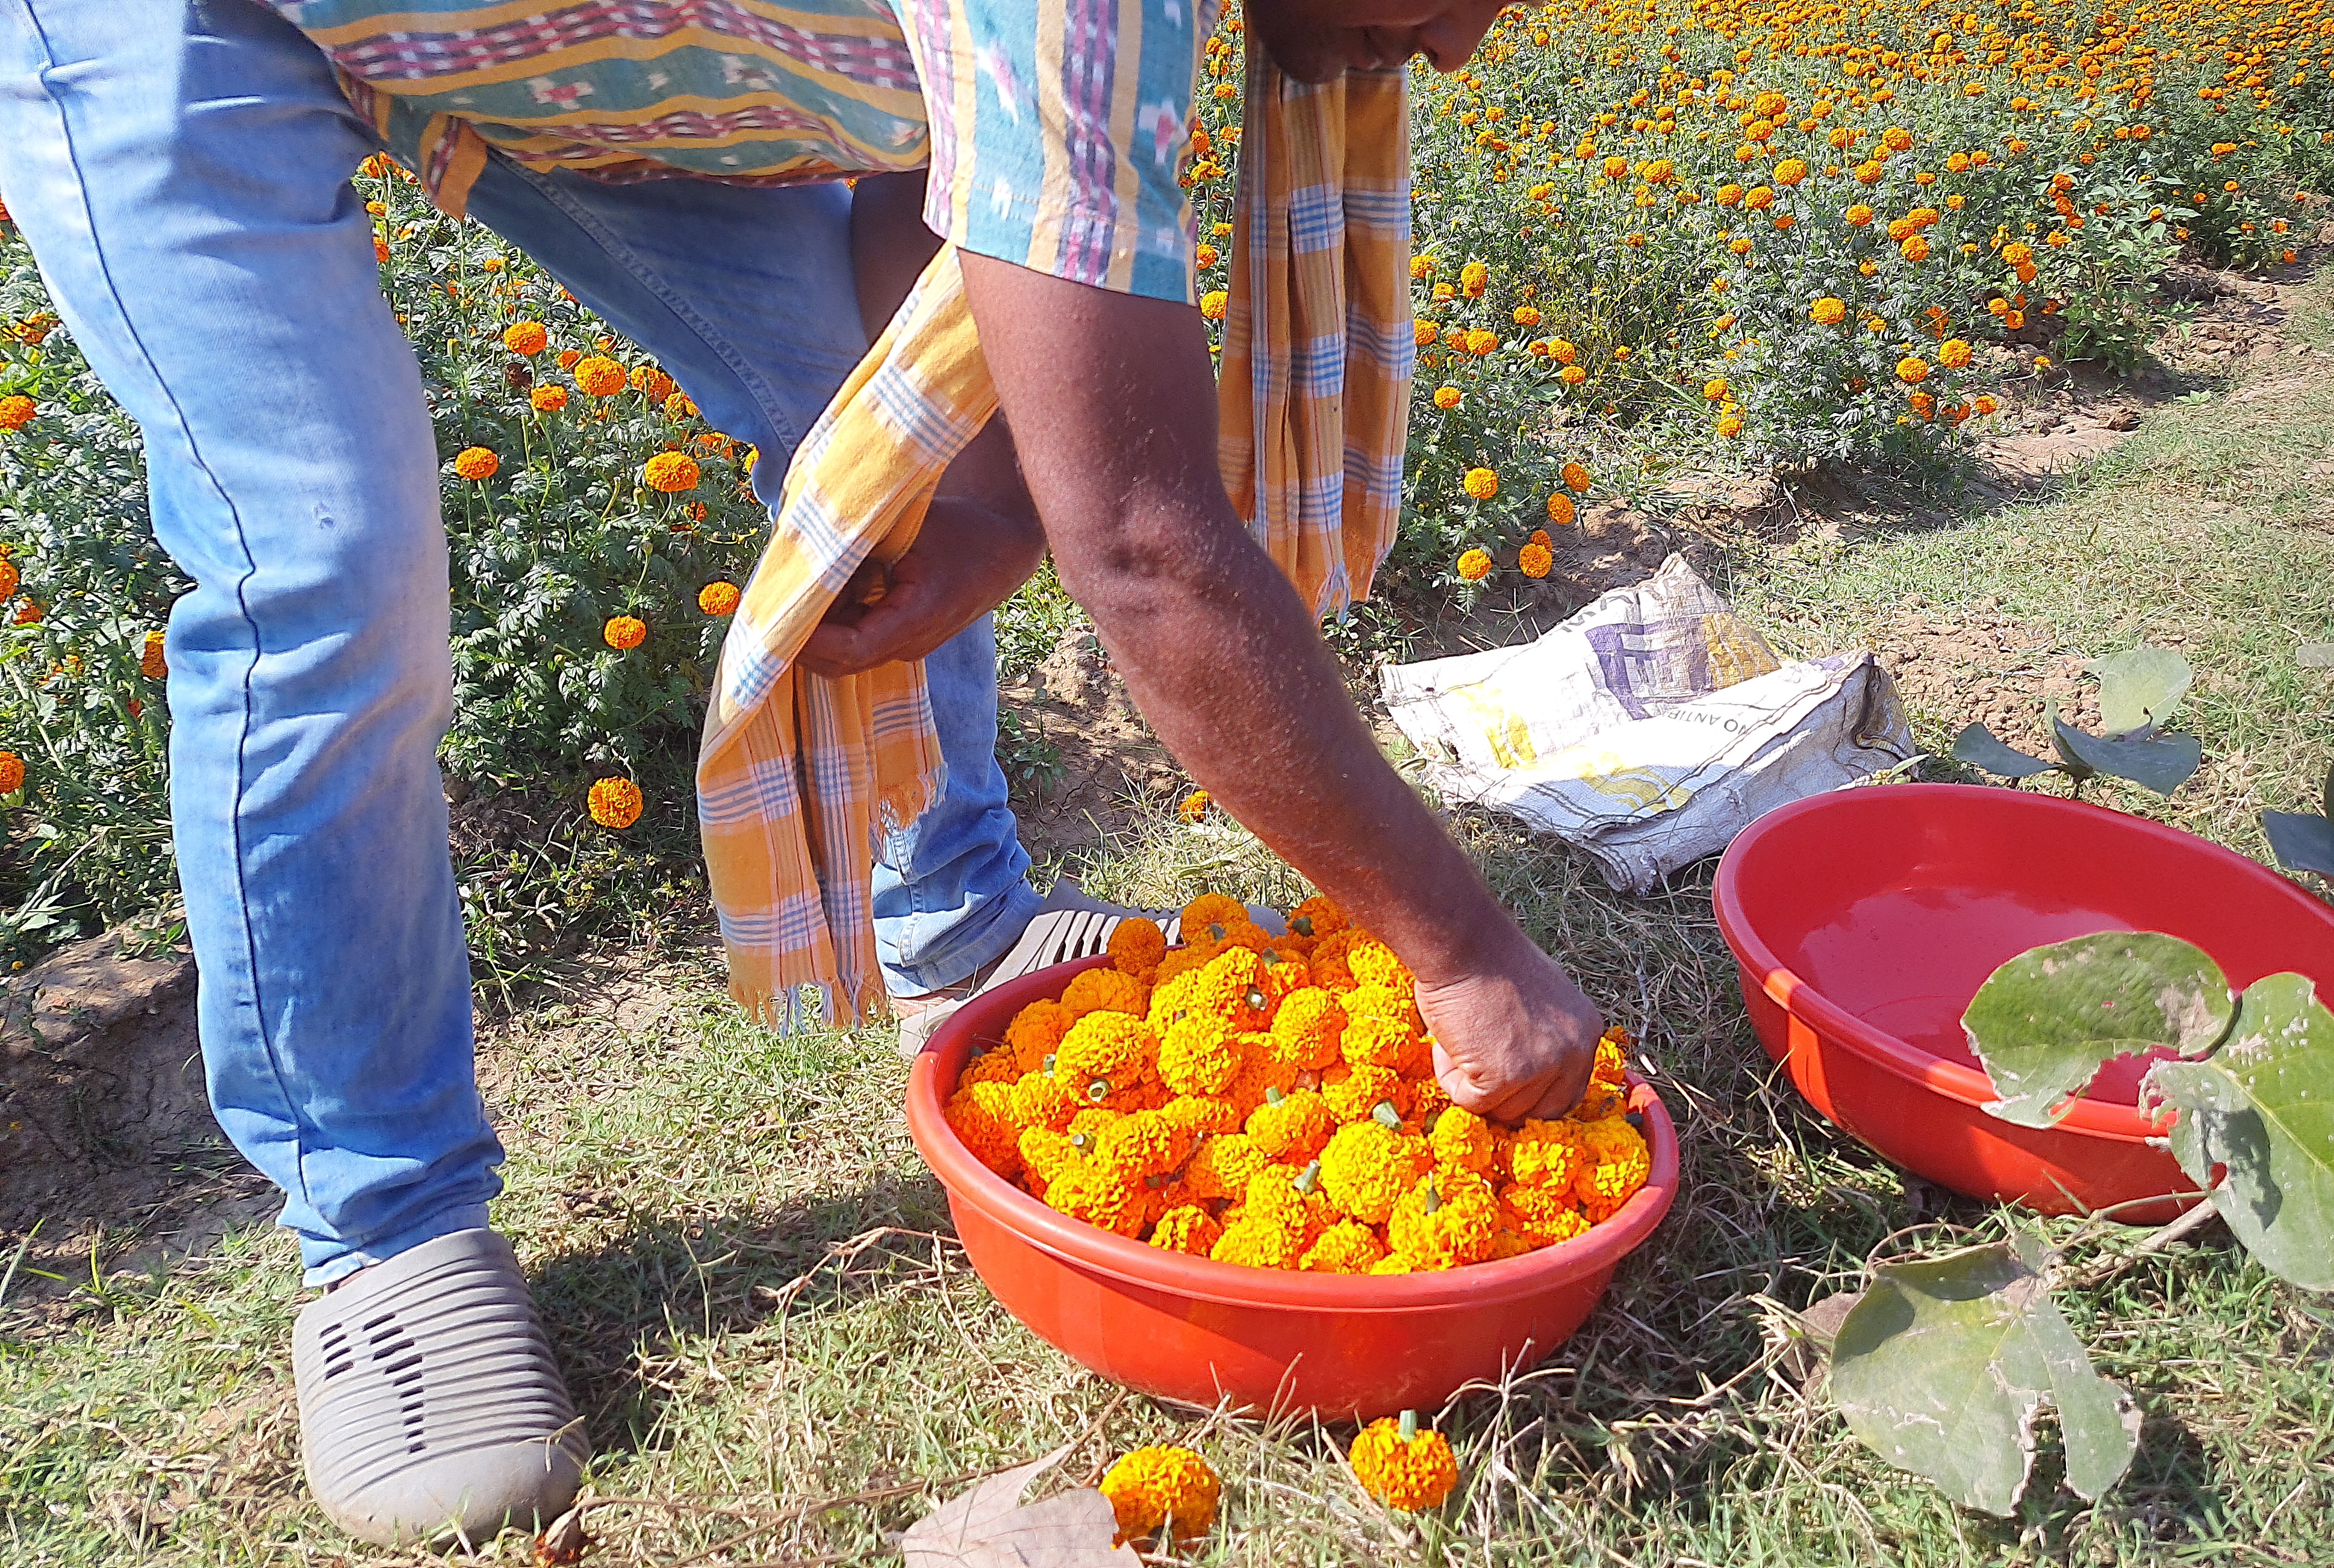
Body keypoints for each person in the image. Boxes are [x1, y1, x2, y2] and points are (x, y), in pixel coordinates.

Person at [0, 0, 1594, 1548]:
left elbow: (942, 188)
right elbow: (1150, 548)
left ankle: (956, 917)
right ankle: (383, 1232)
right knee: (327, 570)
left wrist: (975, 513)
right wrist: (1461, 950)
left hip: (546, 36)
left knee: (873, 412)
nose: (1464, 44)